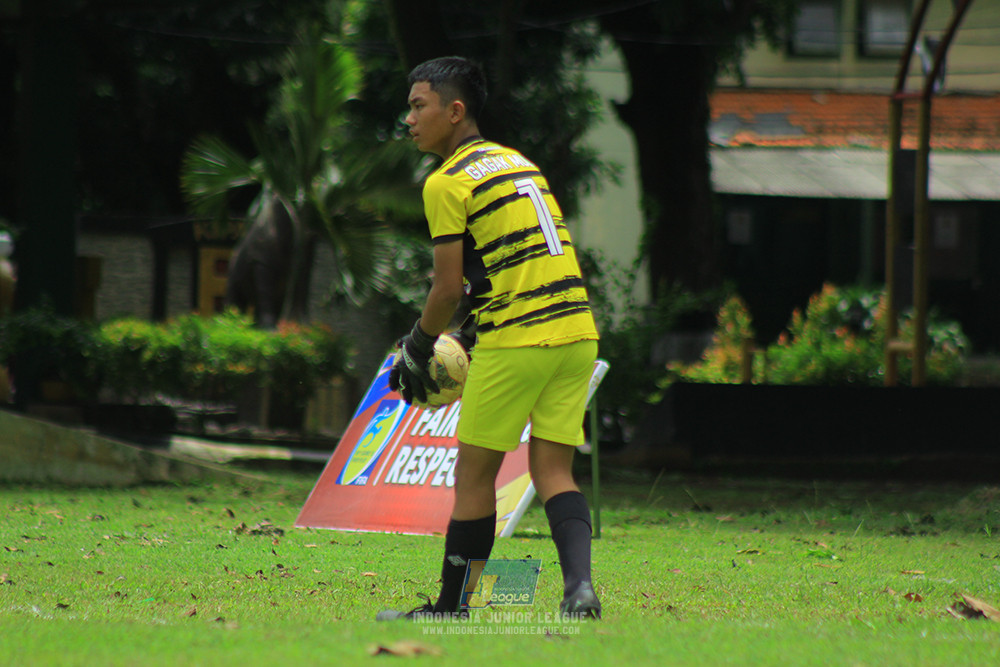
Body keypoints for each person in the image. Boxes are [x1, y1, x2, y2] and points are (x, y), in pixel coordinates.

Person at [377, 56, 601, 622]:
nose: (409, 119)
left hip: (520, 339)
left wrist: (419, 345)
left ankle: (451, 608)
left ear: (455, 111)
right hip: (576, 332)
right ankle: (579, 591)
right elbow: (515, 258)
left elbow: (447, 288)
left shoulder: (447, 182)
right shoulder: (517, 163)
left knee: (473, 476)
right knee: (554, 470)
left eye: (418, 105)